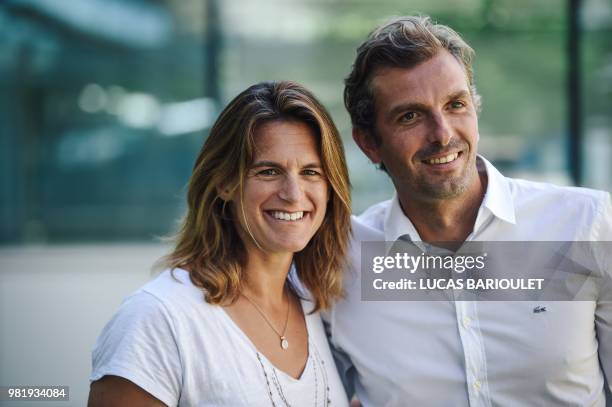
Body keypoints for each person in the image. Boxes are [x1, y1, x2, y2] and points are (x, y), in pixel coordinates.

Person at [324, 15, 612, 406]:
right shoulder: (342, 263)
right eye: (410, 116)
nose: (442, 134)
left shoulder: (586, 225)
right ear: (369, 143)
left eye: (455, 105)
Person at [88, 81, 352, 406]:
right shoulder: (157, 318)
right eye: (269, 171)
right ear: (225, 183)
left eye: (311, 172)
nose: (293, 194)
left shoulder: (323, 305)